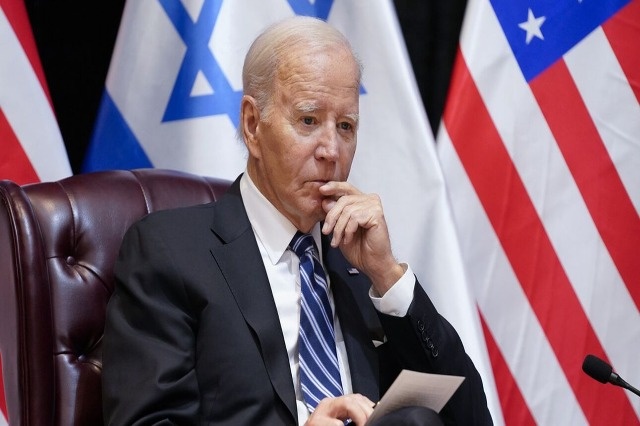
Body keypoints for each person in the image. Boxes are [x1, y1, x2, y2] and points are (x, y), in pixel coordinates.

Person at [102, 16, 492, 426]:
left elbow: (469, 417)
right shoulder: (171, 252)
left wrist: (388, 275)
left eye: (346, 126)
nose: (331, 150)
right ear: (253, 125)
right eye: (308, 120)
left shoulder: (358, 268)